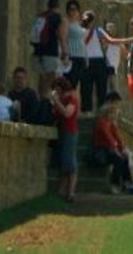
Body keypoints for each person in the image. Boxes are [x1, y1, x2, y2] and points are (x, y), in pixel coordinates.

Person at [92, 91, 133, 194]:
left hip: (110, 148)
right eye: (113, 113)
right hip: (101, 150)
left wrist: (123, 148)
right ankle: (115, 184)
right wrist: (117, 149)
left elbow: (116, 137)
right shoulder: (102, 123)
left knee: (124, 158)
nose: (115, 115)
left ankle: (128, 182)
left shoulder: (111, 123)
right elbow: (108, 138)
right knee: (118, 160)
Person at [51, 74, 79, 202]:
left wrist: (56, 102)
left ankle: (71, 192)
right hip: (61, 132)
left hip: (70, 132)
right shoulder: (61, 101)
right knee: (63, 163)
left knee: (70, 163)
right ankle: (62, 191)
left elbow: (68, 113)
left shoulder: (71, 99)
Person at [80, 10, 113, 115]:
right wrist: (130, 40)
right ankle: (101, 113)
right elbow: (110, 41)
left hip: (86, 62)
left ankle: (87, 112)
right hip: (99, 62)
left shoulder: (80, 31)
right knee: (101, 89)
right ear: (93, 21)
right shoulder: (98, 30)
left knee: (86, 89)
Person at [36, 0, 68, 98]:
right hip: (51, 51)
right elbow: (61, 36)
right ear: (58, 6)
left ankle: (41, 97)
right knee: (51, 78)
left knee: (42, 77)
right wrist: (64, 51)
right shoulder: (57, 17)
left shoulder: (41, 16)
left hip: (38, 52)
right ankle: (45, 100)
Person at [63, 0, 87, 90]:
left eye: (75, 9)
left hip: (81, 57)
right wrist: (66, 56)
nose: (73, 11)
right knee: (69, 83)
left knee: (77, 85)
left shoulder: (78, 24)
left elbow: (82, 41)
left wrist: (86, 57)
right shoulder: (66, 22)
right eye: (71, 9)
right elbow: (63, 38)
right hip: (72, 56)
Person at [104, 20, 126, 92]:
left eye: (112, 27)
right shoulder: (104, 42)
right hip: (105, 70)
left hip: (115, 71)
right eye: (109, 27)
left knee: (115, 92)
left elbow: (126, 55)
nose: (110, 29)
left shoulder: (119, 43)